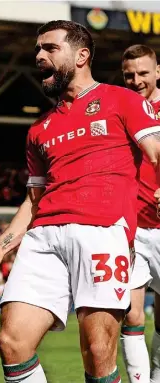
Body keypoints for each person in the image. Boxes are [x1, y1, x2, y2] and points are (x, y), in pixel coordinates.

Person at [0, 20, 160, 383]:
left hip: (102, 231)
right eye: (37, 50)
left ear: (81, 55)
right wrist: (4, 244)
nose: (39, 56)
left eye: (49, 48)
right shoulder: (38, 129)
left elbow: (156, 151)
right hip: (43, 238)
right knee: (12, 342)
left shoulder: (122, 99)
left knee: (97, 354)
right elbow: (34, 201)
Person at [120, 44, 160, 383]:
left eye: (143, 73)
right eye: (129, 75)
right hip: (130, 229)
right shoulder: (119, 110)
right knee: (130, 313)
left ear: (157, 72)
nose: (136, 80)